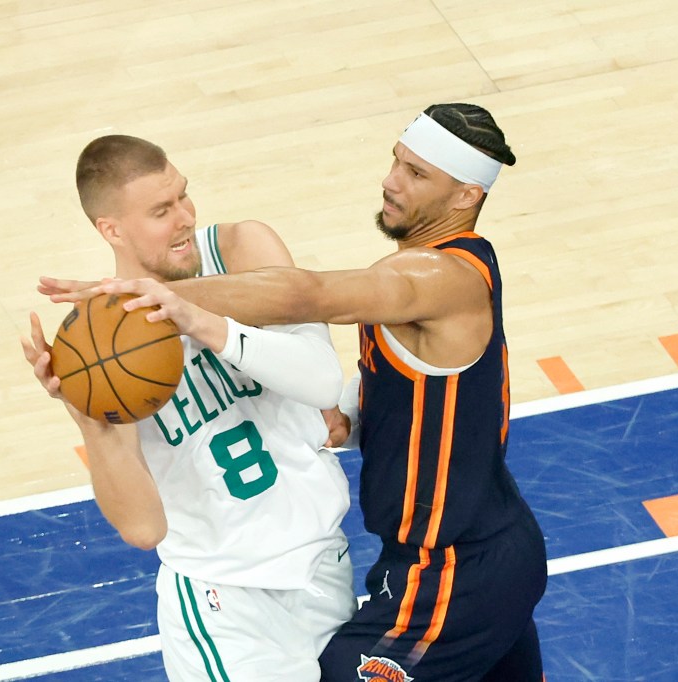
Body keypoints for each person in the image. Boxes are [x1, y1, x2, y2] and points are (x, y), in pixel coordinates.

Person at [42, 103, 548, 681]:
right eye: (396, 163)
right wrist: (346, 417)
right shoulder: (411, 273)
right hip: (434, 560)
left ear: (464, 196)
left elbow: (306, 295)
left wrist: (166, 303)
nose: (390, 181)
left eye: (416, 174)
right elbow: (418, 394)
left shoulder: (434, 278)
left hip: (454, 568)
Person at [21, 134, 357, 681]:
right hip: (225, 604)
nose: (183, 218)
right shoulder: (104, 340)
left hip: (326, 566)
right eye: (160, 211)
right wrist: (87, 415)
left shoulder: (244, 249)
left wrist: (193, 315)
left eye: (182, 196)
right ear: (112, 230)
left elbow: (321, 381)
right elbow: (142, 528)